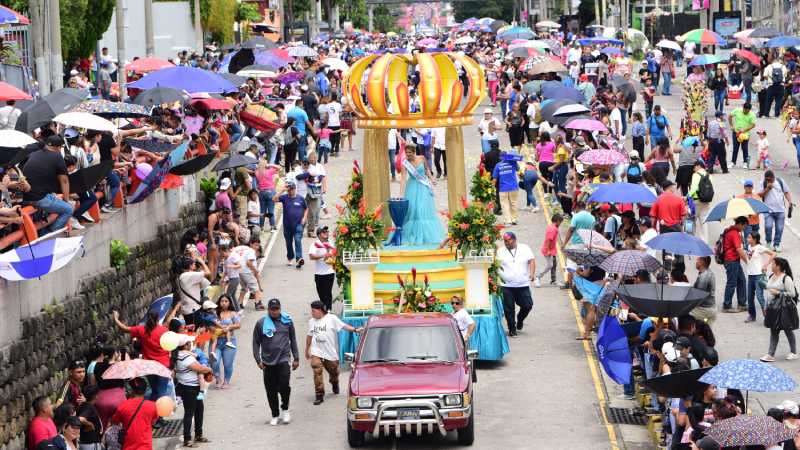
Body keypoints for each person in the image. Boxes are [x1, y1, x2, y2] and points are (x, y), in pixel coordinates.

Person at [253, 298, 300, 426]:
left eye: (277, 309)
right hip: (268, 362)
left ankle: (285, 408)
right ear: (268, 310)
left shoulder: (287, 321)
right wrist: (258, 360)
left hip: (283, 359)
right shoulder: (261, 323)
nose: (275, 311)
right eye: (272, 309)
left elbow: (293, 339)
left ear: (280, 309)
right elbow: (256, 343)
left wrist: (296, 357)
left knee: (284, 385)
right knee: (270, 389)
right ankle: (274, 414)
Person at [305, 301, 359, 405]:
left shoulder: (331, 318)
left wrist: (355, 330)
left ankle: (335, 382)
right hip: (316, 351)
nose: (312, 313)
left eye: (313, 311)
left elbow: (344, 326)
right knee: (316, 369)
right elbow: (309, 336)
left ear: (320, 310)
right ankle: (319, 394)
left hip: (330, 353)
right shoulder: (311, 321)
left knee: (334, 372)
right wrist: (307, 349)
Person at [111, 310, 172, 402]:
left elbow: (123, 328)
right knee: (161, 392)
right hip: (163, 366)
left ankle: (152, 413)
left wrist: (115, 318)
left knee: (155, 391)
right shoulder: (164, 331)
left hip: (149, 367)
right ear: (158, 319)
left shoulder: (142, 330)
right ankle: (158, 414)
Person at [22, 135, 73, 235]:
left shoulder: (34, 154)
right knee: (68, 209)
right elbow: (64, 181)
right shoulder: (57, 156)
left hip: (25, 196)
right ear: (58, 147)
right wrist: (66, 200)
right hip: (39, 198)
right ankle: (47, 234)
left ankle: (40, 233)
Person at [399, 142, 445, 245]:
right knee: (414, 210)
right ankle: (414, 234)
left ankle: (426, 235)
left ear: (414, 152)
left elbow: (427, 170)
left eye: (410, 152)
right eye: (406, 153)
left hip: (423, 186)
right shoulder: (405, 162)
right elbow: (403, 179)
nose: (408, 155)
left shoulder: (422, 158)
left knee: (422, 209)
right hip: (412, 187)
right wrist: (401, 194)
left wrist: (432, 179)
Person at [174, 334, 212, 447]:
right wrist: (209, 368)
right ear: (185, 345)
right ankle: (187, 439)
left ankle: (198, 435)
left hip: (187, 386)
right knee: (190, 413)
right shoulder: (186, 358)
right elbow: (200, 368)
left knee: (199, 410)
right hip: (190, 388)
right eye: (189, 343)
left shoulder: (179, 355)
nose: (191, 344)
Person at [496, 232, 535, 337]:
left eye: (509, 240)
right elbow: (496, 266)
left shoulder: (525, 248)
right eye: (505, 241)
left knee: (527, 305)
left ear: (515, 239)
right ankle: (512, 329)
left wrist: (532, 273)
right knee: (509, 309)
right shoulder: (500, 251)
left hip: (522, 284)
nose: (507, 243)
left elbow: (531, 260)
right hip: (506, 285)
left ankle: (520, 319)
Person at [760, 257, 799, 362]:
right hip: (772, 308)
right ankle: (770, 354)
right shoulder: (771, 276)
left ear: (778, 266)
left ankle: (794, 352)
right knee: (774, 330)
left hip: (783, 308)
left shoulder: (786, 278)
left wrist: (779, 293)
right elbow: (767, 288)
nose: (771, 265)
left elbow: (792, 294)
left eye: (773, 264)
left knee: (787, 330)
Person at [274, 181, 308, 268]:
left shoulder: (300, 198)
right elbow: (274, 199)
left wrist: (304, 218)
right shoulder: (284, 197)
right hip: (287, 225)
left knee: (297, 240)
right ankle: (290, 257)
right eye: (289, 190)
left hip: (298, 224)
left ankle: (299, 259)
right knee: (288, 243)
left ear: (295, 189)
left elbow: (306, 208)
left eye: (292, 189)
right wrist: (282, 190)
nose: (290, 191)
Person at [211, 295, 241, 389]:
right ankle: (218, 378)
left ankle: (226, 381)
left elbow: (238, 325)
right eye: (222, 301)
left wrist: (229, 327)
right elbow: (209, 325)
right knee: (214, 362)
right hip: (216, 341)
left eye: (226, 301)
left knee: (228, 363)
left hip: (229, 341)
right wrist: (217, 329)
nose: (224, 303)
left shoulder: (233, 313)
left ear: (229, 303)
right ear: (219, 303)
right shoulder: (214, 313)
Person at [760, 170, 793, 252]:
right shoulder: (763, 183)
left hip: (780, 210)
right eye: (766, 179)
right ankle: (768, 242)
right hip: (768, 210)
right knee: (768, 226)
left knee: (779, 228)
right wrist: (767, 188)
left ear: (773, 177)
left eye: (769, 179)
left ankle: (776, 244)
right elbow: (760, 195)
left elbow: (786, 192)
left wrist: (790, 202)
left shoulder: (780, 181)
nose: (768, 181)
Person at [722, 216, 749, 313]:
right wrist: (747, 262)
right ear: (740, 224)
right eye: (744, 226)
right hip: (732, 260)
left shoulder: (732, 231)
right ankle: (727, 305)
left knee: (741, 280)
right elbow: (738, 250)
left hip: (733, 260)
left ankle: (742, 304)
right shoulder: (734, 233)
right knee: (732, 283)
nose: (744, 229)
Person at [745, 232, 774, 323]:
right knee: (749, 297)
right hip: (750, 275)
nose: (747, 238)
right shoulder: (749, 247)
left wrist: (765, 265)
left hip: (758, 275)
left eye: (749, 237)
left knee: (759, 296)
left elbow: (773, 254)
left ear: (755, 239)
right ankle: (752, 315)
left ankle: (767, 315)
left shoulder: (759, 247)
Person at [176, 252, 211, 325]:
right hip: (193, 310)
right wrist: (202, 262)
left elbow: (206, 282)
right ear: (190, 266)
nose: (195, 264)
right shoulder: (188, 275)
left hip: (189, 309)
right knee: (196, 331)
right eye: (193, 263)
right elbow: (208, 273)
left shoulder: (184, 276)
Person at [308, 225, 336, 311]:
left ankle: (328, 310)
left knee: (328, 293)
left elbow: (335, 253)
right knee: (321, 294)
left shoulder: (331, 242)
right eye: (324, 232)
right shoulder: (315, 244)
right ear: (319, 234)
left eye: (327, 231)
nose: (326, 233)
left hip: (329, 272)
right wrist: (323, 255)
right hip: (319, 273)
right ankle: (324, 309)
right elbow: (311, 256)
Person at [232, 238, 264, 310]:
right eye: (255, 245)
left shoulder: (242, 248)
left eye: (258, 246)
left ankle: (239, 304)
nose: (257, 247)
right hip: (245, 271)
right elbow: (248, 263)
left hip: (237, 270)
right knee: (256, 288)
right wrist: (255, 270)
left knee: (244, 288)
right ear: (251, 244)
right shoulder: (251, 251)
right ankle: (258, 303)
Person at [535, 213, 562, 288]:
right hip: (549, 250)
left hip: (551, 250)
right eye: (560, 222)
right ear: (557, 221)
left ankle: (553, 280)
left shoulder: (553, 227)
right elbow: (548, 241)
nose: (560, 224)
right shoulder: (552, 229)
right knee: (550, 265)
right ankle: (538, 277)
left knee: (554, 264)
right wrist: (548, 251)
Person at [687, 161, 712, 242]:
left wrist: (687, 196)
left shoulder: (696, 175)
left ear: (698, 166)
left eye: (694, 167)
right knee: (704, 221)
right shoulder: (709, 175)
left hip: (696, 201)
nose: (694, 170)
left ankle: (689, 239)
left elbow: (693, 188)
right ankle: (704, 241)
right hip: (706, 201)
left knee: (690, 220)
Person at [493, 153, 520, 226]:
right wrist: (515, 161)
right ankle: (514, 219)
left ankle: (508, 221)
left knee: (505, 205)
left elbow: (495, 179)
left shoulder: (498, 165)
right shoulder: (513, 162)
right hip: (514, 187)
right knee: (513, 203)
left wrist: (492, 187)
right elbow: (518, 169)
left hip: (503, 188)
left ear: (500, 157)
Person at [729, 102, 757, 169]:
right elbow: (730, 116)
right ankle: (733, 162)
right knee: (735, 148)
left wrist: (745, 130)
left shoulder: (752, 115)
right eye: (745, 110)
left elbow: (753, 125)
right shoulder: (737, 110)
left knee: (745, 148)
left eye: (747, 111)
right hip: (736, 132)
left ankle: (745, 162)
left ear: (750, 110)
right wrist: (731, 125)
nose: (746, 112)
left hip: (745, 134)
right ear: (743, 108)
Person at [692, 256, 717, 325]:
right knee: (707, 332)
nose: (696, 262)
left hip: (704, 310)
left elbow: (699, 295)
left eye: (698, 260)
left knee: (683, 314)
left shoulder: (704, 276)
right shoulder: (708, 272)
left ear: (702, 262)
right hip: (711, 309)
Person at [77, 385, 102, 450]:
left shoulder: (85, 405)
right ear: (95, 396)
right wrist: (90, 424)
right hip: (90, 444)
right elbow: (80, 419)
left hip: (86, 442)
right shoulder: (89, 407)